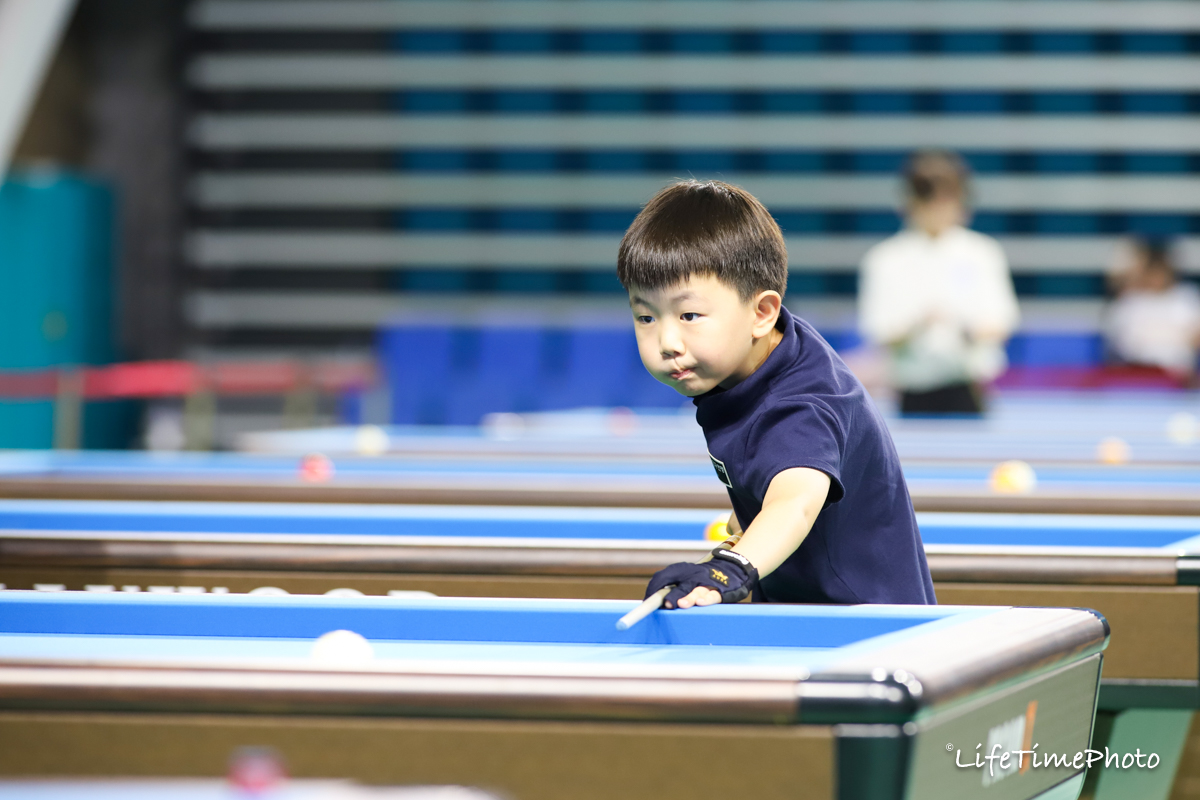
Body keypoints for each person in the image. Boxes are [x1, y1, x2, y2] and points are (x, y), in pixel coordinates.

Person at [617, 180, 935, 610]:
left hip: (865, 629)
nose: (667, 340)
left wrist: (729, 568)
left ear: (762, 313)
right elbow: (770, 479)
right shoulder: (762, 360)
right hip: (804, 613)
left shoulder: (803, 403)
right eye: (646, 316)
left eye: (689, 314)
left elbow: (795, 502)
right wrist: (745, 528)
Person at [858, 150, 1020, 415]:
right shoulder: (885, 259)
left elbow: (1002, 321)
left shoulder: (982, 253)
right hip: (911, 392)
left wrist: (966, 329)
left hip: (969, 387)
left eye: (946, 198)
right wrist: (918, 325)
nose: (937, 209)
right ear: (910, 202)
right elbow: (879, 331)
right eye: (928, 199)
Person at [1104, 239, 1200, 381]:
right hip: (1138, 370)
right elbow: (1120, 343)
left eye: (1161, 272)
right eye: (1153, 272)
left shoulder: (1187, 298)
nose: (1157, 278)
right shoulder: (1130, 301)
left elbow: (1196, 337)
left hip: (1178, 372)